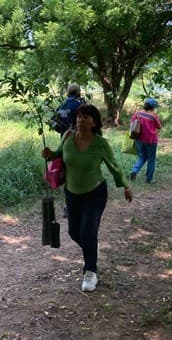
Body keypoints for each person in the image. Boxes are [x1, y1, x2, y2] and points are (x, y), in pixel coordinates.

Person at [42, 104, 133, 292]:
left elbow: (114, 166)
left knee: (88, 232)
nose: (80, 120)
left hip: (95, 193)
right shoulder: (67, 137)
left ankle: (90, 271)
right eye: (79, 116)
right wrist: (49, 154)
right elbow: (58, 154)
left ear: (94, 122)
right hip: (72, 193)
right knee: (74, 232)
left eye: (86, 117)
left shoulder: (101, 143)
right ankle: (91, 250)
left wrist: (125, 184)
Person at [129, 97, 162, 184]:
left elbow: (132, 122)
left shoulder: (138, 113)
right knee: (151, 159)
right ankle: (149, 178)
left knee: (142, 157)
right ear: (153, 107)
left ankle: (134, 171)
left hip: (139, 139)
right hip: (151, 140)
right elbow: (159, 126)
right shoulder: (153, 116)